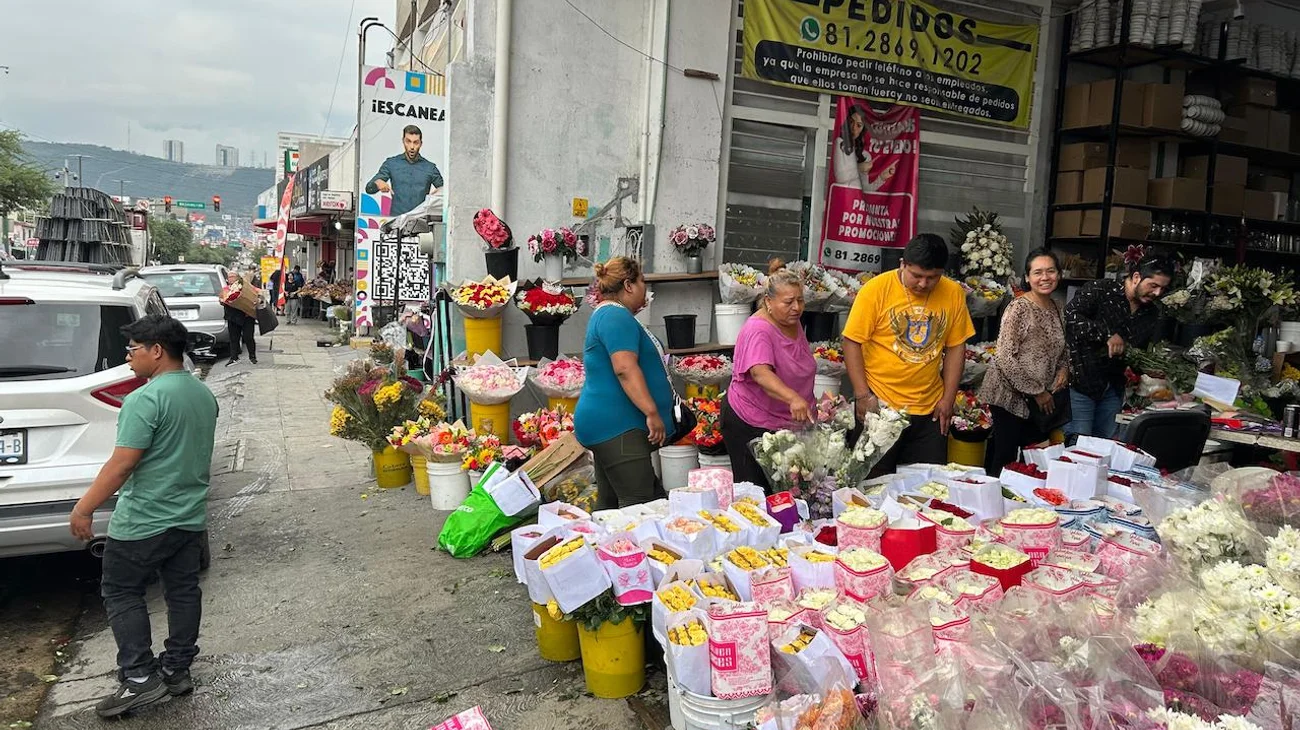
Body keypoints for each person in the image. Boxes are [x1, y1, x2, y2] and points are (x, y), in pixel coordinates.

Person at [68, 314, 219, 718]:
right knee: (183, 591)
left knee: (120, 591)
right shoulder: (202, 393)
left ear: (157, 351)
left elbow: (121, 466)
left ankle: (138, 678)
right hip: (188, 516)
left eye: (133, 350)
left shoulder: (144, 399)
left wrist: (84, 508)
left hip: (144, 521)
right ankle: (176, 669)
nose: (128, 357)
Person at [842, 233, 975, 472]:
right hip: (881, 405)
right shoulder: (876, 289)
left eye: (932, 277)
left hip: (930, 409)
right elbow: (852, 341)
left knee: (926, 489)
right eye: (916, 276)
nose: (923, 284)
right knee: (872, 488)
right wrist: (863, 396)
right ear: (902, 264)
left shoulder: (953, 293)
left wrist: (948, 398)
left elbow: (956, 347)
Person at [575, 257, 675, 509]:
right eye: (642, 281)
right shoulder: (614, 317)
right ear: (628, 285)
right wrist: (651, 412)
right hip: (617, 428)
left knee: (610, 504)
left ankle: (600, 547)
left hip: (612, 426)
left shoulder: (611, 315)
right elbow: (624, 368)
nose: (645, 288)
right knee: (642, 506)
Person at [721, 260, 817, 491]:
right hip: (752, 423)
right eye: (789, 302)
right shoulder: (759, 330)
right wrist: (793, 398)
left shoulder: (790, 321)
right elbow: (761, 373)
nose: (797, 308)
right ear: (768, 302)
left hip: (786, 424)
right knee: (756, 494)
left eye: (800, 300)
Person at [979, 249, 1070, 475]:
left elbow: (1063, 346)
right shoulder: (1018, 308)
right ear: (1027, 278)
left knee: (1032, 458)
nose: (1045, 277)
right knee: (1005, 458)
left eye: (1050, 271)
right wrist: (1037, 391)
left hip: (1041, 400)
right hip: (1010, 396)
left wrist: (1064, 368)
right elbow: (1004, 358)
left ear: (1058, 275)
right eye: (1037, 272)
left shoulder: (1058, 306)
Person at [1064, 255, 1173, 441]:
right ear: (1137, 277)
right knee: (1078, 447)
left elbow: (1138, 352)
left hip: (1113, 389)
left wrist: (1147, 370)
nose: (1157, 293)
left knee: (1105, 449)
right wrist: (1106, 334)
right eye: (1153, 286)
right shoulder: (1101, 290)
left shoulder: (1151, 313)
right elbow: (1070, 316)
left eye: (1162, 288)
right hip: (1081, 383)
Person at [364, 124, 444, 217]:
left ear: (421, 144)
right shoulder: (391, 164)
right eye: (408, 141)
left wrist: (438, 193)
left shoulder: (430, 168)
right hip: (396, 222)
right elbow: (369, 189)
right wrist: (377, 183)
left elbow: (445, 193)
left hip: (421, 222)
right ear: (403, 141)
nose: (412, 147)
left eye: (416, 142)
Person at [831, 103, 898, 194]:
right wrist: (859, 168)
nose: (854, 128)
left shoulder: (865, 155)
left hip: (855, 204)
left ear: (863, 129)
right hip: (843, 201)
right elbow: (840, 177)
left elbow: (866, 190)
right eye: (851, 122)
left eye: (859, 125)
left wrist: (881, 178)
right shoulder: (839, 143)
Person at [220, 271, 259, 366]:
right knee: (233, 338)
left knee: (248, 337)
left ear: (238, 278)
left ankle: (252, 357)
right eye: (229, 277)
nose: (231, 279)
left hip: (246, 316)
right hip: (232, 317)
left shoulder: (245, 287)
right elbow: (222, 299)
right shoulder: (226, 289)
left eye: (233, 277)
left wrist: (257, 300)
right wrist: (222, 300)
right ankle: (234, 358)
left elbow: (257, 293)